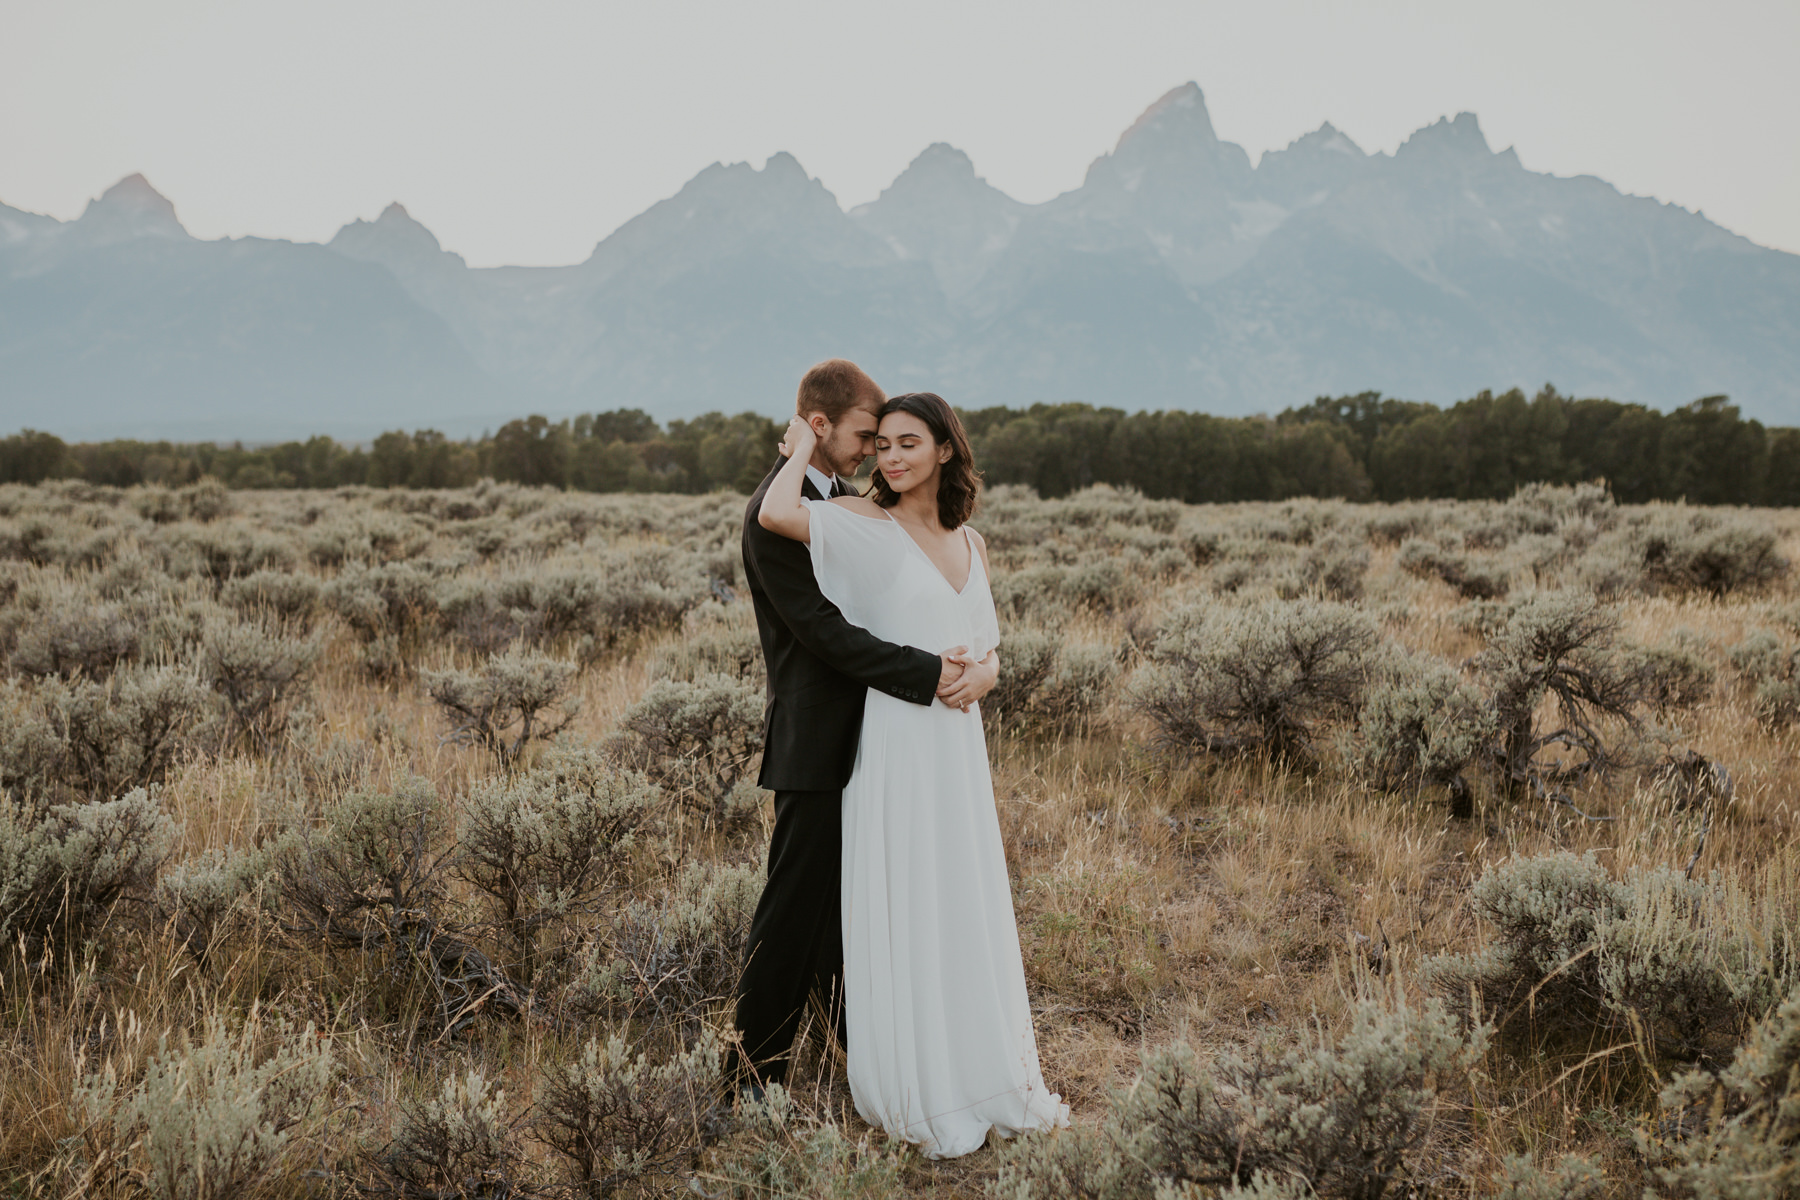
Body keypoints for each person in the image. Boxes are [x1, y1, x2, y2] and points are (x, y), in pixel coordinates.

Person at [758, 389, 1069, 1158]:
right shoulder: (867, 525)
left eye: (906, 444)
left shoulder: (975, 541)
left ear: (945, 451)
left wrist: (989, 674)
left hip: (957, 745)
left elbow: (987, 642)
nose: (890, 459)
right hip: (896, 735)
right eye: (882, 445)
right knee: (906, 890)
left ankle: (977, 1065)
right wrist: (800, 443)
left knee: (959, 889)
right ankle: (912, 1075)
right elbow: (775, 515)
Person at [734, 360, 996, 1092]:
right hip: (819, 744)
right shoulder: (773, 512)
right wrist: (924, 674)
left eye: (888, 441)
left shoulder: (849, 504)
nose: (873, 452)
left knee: (854, 915)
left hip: (887, 742)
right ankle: (751, 1076)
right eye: (863, 436)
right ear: (818, 427)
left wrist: (978, 665)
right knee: (791, 916)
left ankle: (874, 1058)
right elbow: (823, 632)